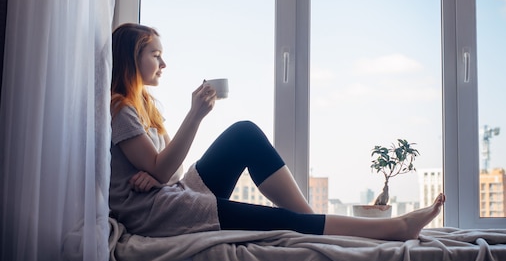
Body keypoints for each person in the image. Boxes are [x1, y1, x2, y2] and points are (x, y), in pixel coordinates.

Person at [109, 23, 445, 240]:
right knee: (280, 220)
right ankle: (395, 228)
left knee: (244, 133)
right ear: (131, 58)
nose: (163, 64)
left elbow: (167, 171)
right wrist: (195, 116)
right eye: (156, 55)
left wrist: (156, 176)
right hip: (158, 215)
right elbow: (160, 167)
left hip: (171, 195)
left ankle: (315, 221)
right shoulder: (120, 109)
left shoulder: (147, 108)